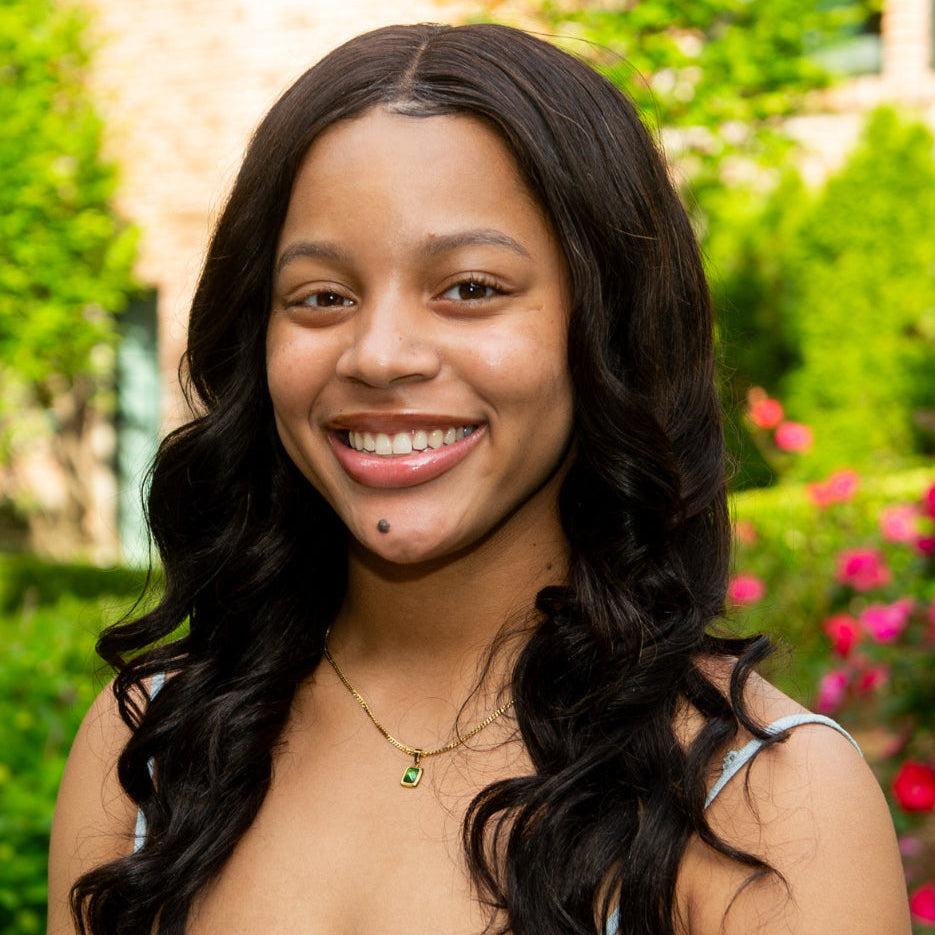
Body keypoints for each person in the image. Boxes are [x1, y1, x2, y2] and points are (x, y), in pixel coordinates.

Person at [48, 22, 910, 935]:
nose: (379, 354)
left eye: (469, 287)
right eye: (322, 296)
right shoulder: (149, 745)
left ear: (605, 327)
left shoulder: (765, 803)